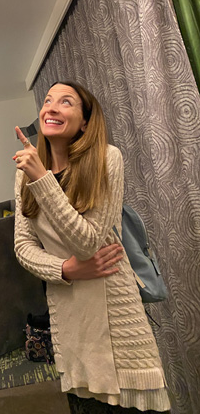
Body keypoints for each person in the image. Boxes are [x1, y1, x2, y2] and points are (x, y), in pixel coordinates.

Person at [13, 81, 170, 414]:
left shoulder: (107, 159)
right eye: (47, 100)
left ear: (84, 121)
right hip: (69, 317)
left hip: (115, 315)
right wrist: (66, 269)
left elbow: (87, 242)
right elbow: (23, 247)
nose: (51, 107)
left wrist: (42, 178)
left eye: (65, 102)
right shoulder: (25, 174)